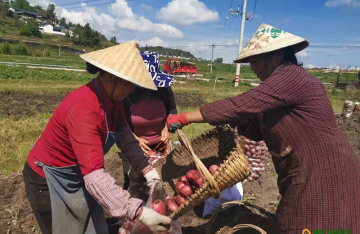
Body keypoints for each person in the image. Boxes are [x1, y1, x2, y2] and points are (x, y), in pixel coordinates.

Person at [166, 24, 360, 233]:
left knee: (306, 222)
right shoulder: (281, 87)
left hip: (323, 172)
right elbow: (256, 125)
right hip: (307, 171)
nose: (252, 67)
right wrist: (238, 121)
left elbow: (240, 104)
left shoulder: (291, 77)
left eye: (256, 60)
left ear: (276, 55)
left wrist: (185, 117)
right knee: (301, 221)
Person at [23, 42, 172, 234]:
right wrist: (137, 211)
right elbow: (94, 175)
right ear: (111, 76)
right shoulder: (84, 108)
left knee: (91, 224)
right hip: (49, 180)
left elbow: (124, 136)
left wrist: (146, 169)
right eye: (129, 82)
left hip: (78, 173)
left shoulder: (114, 100)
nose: (133, 89)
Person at [123, 50, 177, 190]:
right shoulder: (126, 92)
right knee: (135, 185)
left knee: (160, 183)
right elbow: (119, 121)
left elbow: (172, 111)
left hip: (160, 147)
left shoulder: (163, 89)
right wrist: (135, 139)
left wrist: (167, 128)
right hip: (133, 147)